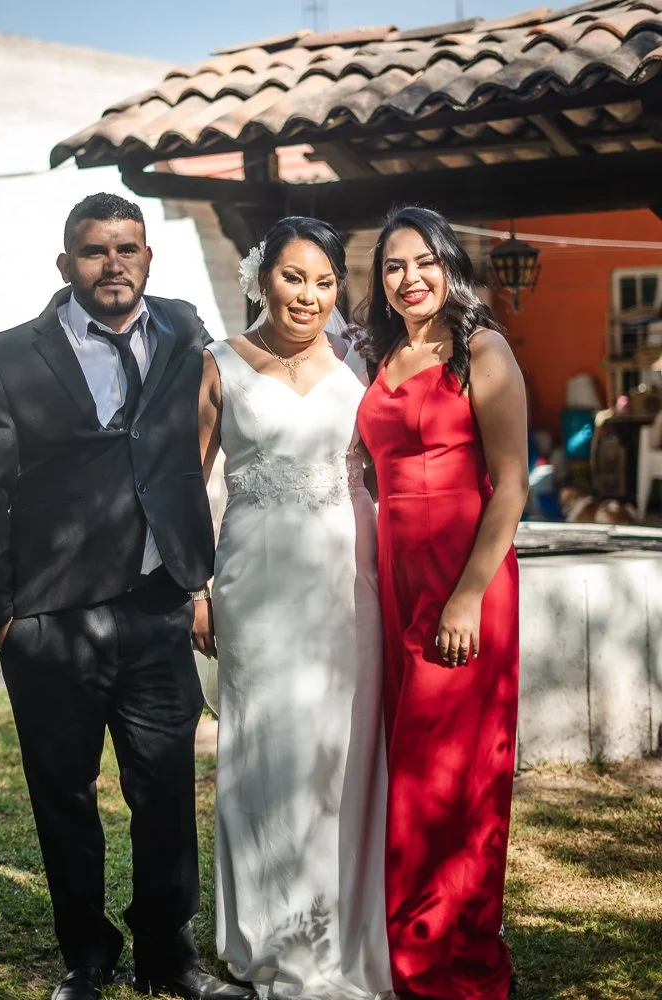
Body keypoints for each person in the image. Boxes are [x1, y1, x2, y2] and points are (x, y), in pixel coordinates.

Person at [0, 192, 254, 1000]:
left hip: (158, 604)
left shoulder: (185, 328)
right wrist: (2, 615)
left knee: (164, 789)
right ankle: (86, 956)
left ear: (149, 259)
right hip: (51, 619)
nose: (113, 263)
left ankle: (169, 956)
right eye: (95, 251)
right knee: (65, 794)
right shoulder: (3, 358)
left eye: (128, 248)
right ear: (67, 265)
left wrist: (198, 578)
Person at [196, 217, 392, 999]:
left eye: (323, 281)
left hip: (351, 588)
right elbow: (183, 484)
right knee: (267, 758)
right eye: (292, 277)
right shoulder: (216, 365)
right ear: (261, 277)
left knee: (342, 756)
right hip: (255, 586)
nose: (307, 296)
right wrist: (192, 589)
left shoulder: (362, 362)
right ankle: (268, 942)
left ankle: (346, 931)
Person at [355, 205, 527, 1000]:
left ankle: (439, 958)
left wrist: (465, 598)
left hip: (466, 578)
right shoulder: (380, 353)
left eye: (422, 260)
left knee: (446, 772)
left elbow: (513, 483)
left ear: (449, 263)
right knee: (411, 760)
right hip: (396, 575)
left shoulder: (481, 349)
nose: (409, 277)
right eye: (393, 266)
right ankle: (405, 944)